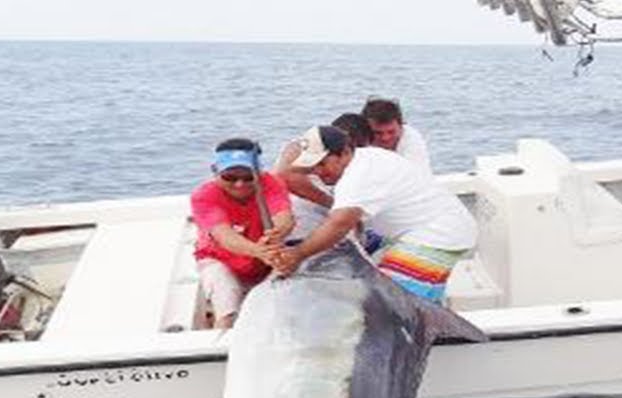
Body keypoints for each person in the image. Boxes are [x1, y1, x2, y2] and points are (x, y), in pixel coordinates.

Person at [272, 125, 476, 305]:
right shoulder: (364, 158)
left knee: (390, 302)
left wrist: (297, 255)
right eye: (313, 166)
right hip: (412, 233)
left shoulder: (358, 175)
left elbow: (339, 224)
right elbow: (284, 174)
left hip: (437, 235)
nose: (317, 172)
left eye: (323, 164)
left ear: (344, 152)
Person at [190, 138, 294, 329]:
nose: (239, 184)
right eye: (230, 177)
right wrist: (259, 251)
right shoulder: (204, 196)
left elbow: (284, 217)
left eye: (248, 177)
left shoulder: (271, 183)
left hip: (266, 260)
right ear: (215, 172)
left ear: (259, 173)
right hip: (221, 260)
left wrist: (277, 234)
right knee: (228, 307)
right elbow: (224, 236)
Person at [274, 113, 373, 243]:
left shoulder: (362, 167)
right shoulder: (302, 148)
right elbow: (284, 175)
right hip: (301, 233)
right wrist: (334, 205)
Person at [361, 97, 432, 173]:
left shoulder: (412, 140)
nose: (385, 138)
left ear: (401, 126)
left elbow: (415, 174)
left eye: (391, 132)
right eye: (378, 133)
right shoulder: (357, 139)